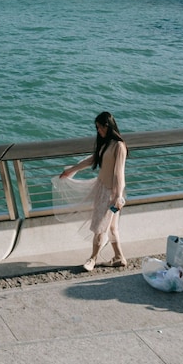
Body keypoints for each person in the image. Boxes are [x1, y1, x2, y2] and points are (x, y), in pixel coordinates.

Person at [59, 111, 128, 270]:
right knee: (110, 227)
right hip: (102, 189)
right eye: (97, 127)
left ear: (107, 126)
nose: (98, 130)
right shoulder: (106, 144)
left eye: (100, 127)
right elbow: (92, 160)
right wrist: (71, 170)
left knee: (100, 226)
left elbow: (119, 173)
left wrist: (118, 197)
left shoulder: (119, 146)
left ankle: (92, 259)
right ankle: (119, 257)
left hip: (111, 194)